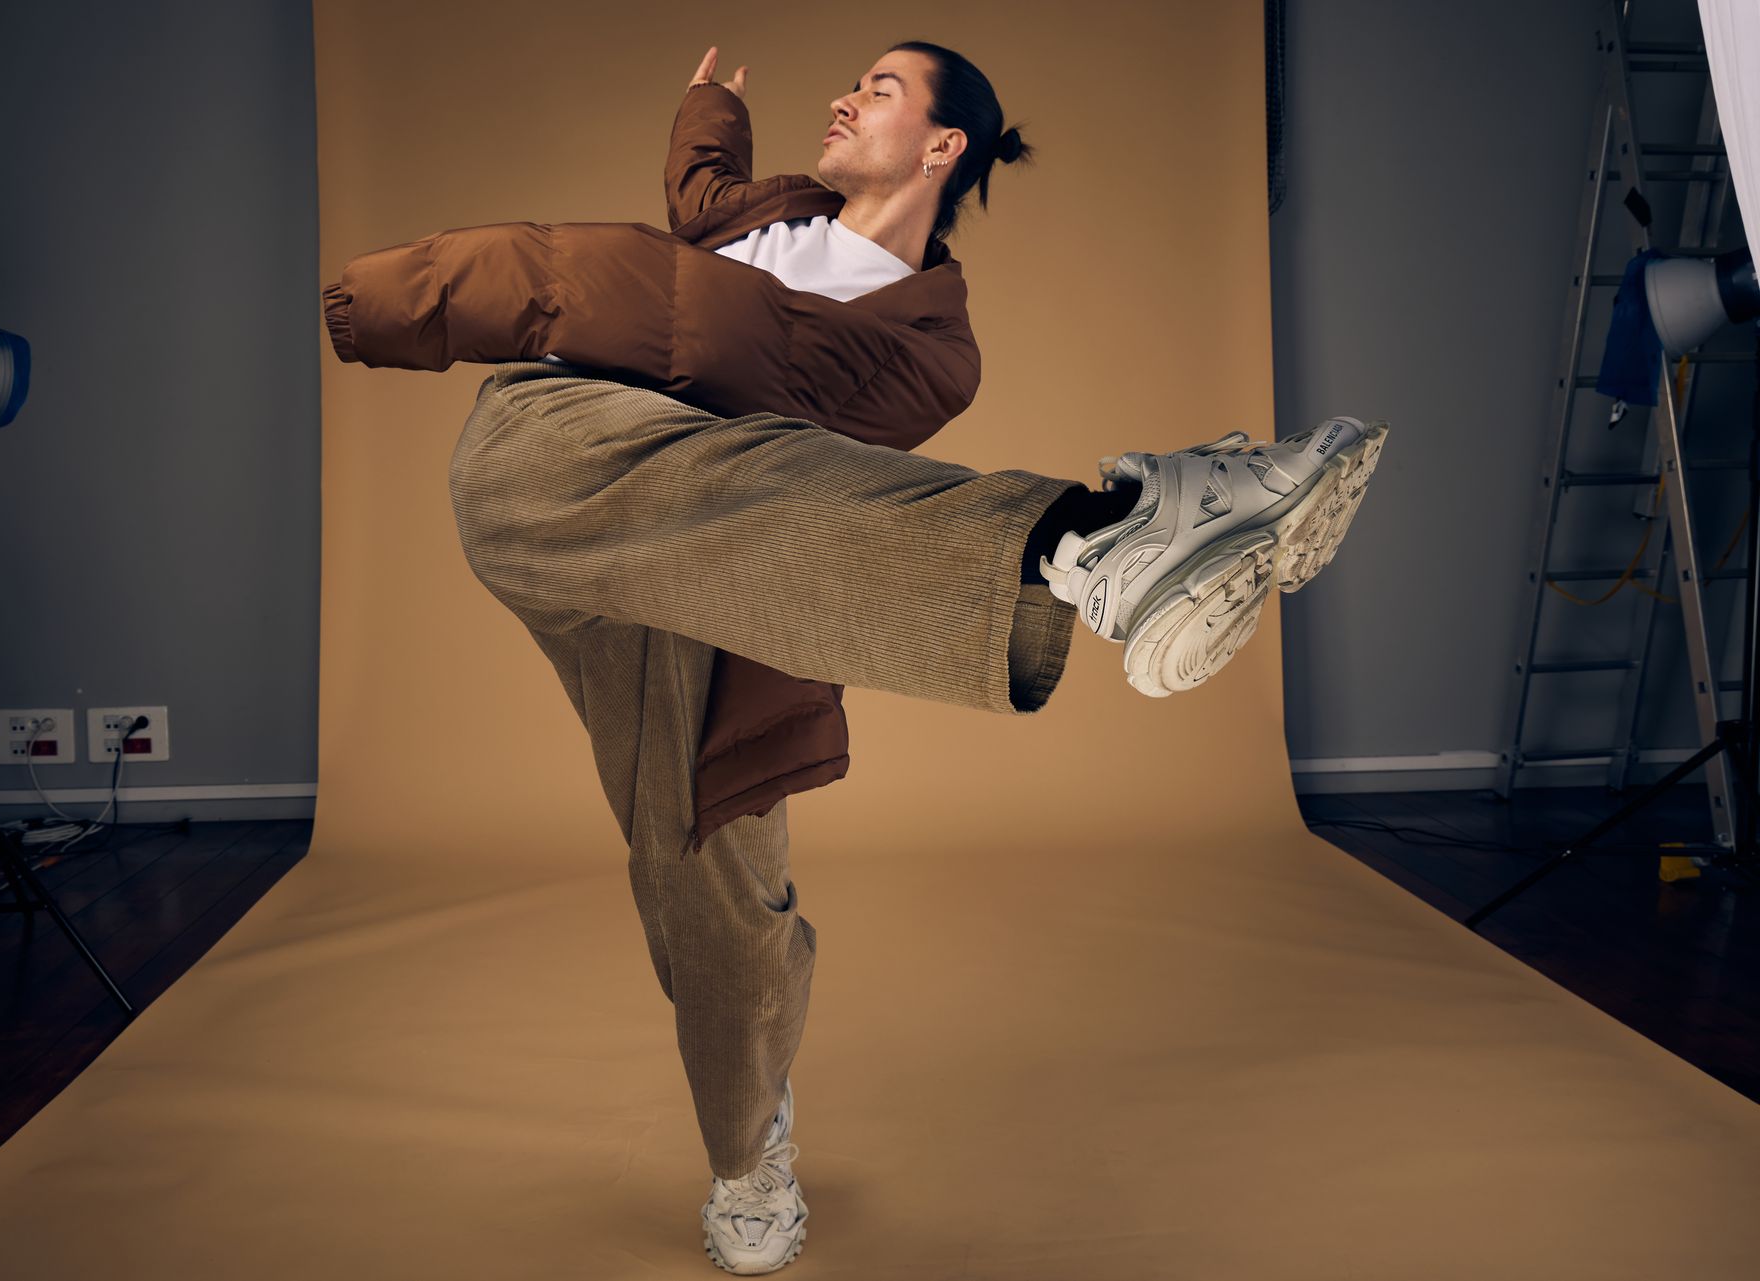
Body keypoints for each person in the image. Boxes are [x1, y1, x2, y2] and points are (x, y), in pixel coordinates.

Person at [330, 41, 1387, 1276]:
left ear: (944, 148)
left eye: (879, 89)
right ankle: (1100, 539)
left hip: (729, 558)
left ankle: (746, 1156)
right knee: (628, 449)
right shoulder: (766, 215)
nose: (844, 95)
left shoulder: (929, 347)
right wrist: (708, 108)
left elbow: (769, 371)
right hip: (566, 455)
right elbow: (700, 210)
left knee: (717, 882)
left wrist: (602, 276)